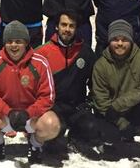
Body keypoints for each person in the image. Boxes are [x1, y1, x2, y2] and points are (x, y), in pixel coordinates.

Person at [88, 20, 140, 168]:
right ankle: (117, 137)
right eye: (115, 39)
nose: (120, 43)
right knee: (109, 140)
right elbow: (101, 100)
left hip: (135, 109)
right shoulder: (101, 65)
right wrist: (121, 123)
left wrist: (120, 104)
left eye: (124, 39)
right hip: (112, 114)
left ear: (131, 40)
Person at [0, 21, 60, 164]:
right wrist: (8, 112)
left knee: (52, 125)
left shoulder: (40, 62)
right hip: (5, 116)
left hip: (30, 117)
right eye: (9, 41)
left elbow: (47, 97)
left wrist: (28, 113)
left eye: (18, 41)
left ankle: (35, 145)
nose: (13, 45)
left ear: (26, 43)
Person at [34, 10, 96, 152]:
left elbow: (95, 83)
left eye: (71, 26)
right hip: (52, 107)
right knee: (54, 132)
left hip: (76, 107)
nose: (67, 29)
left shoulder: (85, 52)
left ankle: (75, 138)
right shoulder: (42, 53)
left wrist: (89, 103)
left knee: (92, 127)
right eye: (64, 25)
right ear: (56, 26)